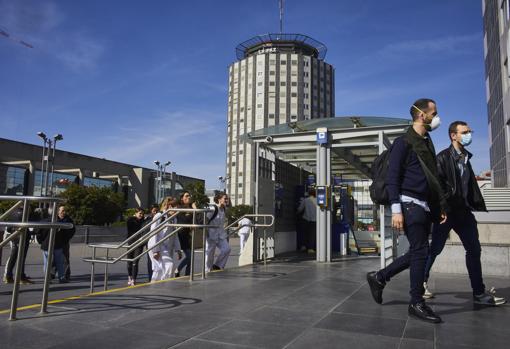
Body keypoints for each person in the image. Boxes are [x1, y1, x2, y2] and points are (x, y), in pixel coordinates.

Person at [366, 98, 447, 323]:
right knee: (421, 250)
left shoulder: (426, 142)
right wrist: (397, 210)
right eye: (434, 112)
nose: (436, 117)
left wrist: (438, 206)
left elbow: (432, 179)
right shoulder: (404, 143)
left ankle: (380, 277)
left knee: (419, 251)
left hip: (424, 204)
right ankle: (416, 302)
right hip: (408, 204)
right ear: (423, 115)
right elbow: (392, 178)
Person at [422, 121, 506, 306]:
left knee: (474, 250)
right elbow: (437, 186)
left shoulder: (466, 158)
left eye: (469, 131)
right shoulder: (442, 158)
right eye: (465, 132)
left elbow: (467, 185)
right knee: (435, 249)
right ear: (453, 135)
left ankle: (479, 293)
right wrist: (442, 208)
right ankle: (421, 283)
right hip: (446, 212)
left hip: (464, 213)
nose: (469, 135)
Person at [148, 197, 181, 281]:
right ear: (169, 206)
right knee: (168, 265)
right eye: (176, 208)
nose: (178, 211)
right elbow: (153, 233)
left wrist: (178, 249)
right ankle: (164, 284)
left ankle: (156, 284)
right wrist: (155, 250)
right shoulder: (160, 216)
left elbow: (175, 234)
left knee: (160, 270)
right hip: (157, 245)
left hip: (167, 247)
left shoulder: (174, 219)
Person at [2, 206, 33, 284]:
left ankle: (8, 276)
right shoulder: (24, 213)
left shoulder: (13, 211)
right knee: (21, 258)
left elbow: (9, 228)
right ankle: (21, 277)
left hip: (15, 237)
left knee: (13, 257)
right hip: (22, 237)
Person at [36, 208, 67, 283]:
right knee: (60, 262)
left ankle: (47, 278)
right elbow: (65, 234)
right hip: (58, 244)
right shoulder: (60, 222)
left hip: (46, 245)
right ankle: (62, 277)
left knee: (47, 262)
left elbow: (38, 233)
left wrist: (41, 241)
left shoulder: (44, 221)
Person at [205, 192, 231, 272]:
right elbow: (205, 220)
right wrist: (206, 232)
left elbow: (230, 206)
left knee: (227, 249)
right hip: (211, 235)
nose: (226, 200)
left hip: (220, 235)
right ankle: (207, 270)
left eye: (227, 198)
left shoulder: (224, 209)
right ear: (219, 200)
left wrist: (228, 201)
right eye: (225, 198)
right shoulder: (213, 209)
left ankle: (217, 265)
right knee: (210, 254)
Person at [176, 191, 194, 277]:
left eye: (189, 196)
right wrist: (193, 210)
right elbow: (184, 220)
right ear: (182, 198)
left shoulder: (191, 208)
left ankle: (187, 274)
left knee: (191, 257)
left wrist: (194, 208)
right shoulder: (180, 208)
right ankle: (177, 269)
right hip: (181, 234)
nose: (189, 197)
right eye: (186, 196)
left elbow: (199, 219)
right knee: (189, 256)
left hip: (188, 235)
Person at [126, 208, 146, 286]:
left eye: (142, 214)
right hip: (131, 243)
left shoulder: (143, 221)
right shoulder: (131, 220)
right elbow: (128, 223)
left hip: (139, 244)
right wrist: (134, 217)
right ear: (136, 213)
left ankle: (134, 279)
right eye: (140, 213)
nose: (141, 215)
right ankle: (130, 277)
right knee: (129, 262)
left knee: (135, 262)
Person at [57, 206, 75, 281]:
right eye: (62, 211)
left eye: (65, 211)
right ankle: (51, 274)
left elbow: (73, 230)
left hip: (64, 242)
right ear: (58, 211)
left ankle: (66, 275)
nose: (64, 212)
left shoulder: (68, 219)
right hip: (55, 242)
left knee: (65, 259)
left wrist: (67, 238)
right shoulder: (54, 219)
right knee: (53, 259)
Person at [297, 188, 317, 254]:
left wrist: (297, 212)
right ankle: (310, 248)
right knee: (312, 234)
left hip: (305, 219)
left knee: (304, 233)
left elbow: (300, 209)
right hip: (314, 220)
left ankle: (303, 246)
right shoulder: (317, 200)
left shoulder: (305, 200)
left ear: (309, 193)